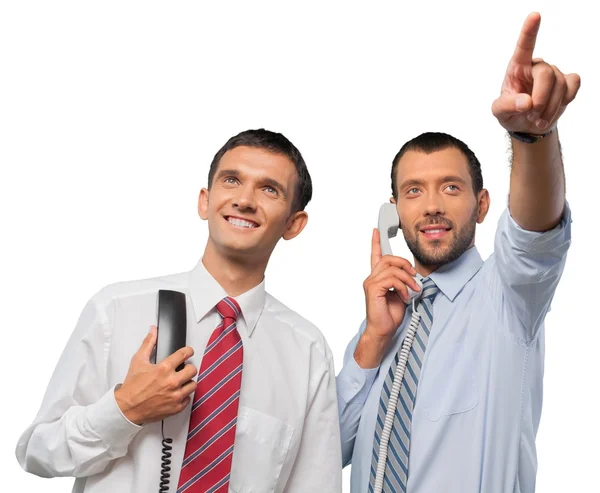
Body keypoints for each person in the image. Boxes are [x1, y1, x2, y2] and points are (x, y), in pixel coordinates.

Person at [16, 129, 342, 493]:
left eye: (269, 189)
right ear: (205, 201)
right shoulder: (116, 310)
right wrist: (125, 409)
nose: (245, 200)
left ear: (293, 224)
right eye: (232, 180)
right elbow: (38, 452)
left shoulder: (307, 351)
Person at [336, 12, 580, 493]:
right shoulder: (380, 321)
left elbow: (534, 237)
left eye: (450, 187)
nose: (430, 207)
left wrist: (532, 136)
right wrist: (371, 344)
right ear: (394, 211)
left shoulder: (509, 296)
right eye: (412, 191)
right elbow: (330, 449)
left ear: (482, 204)